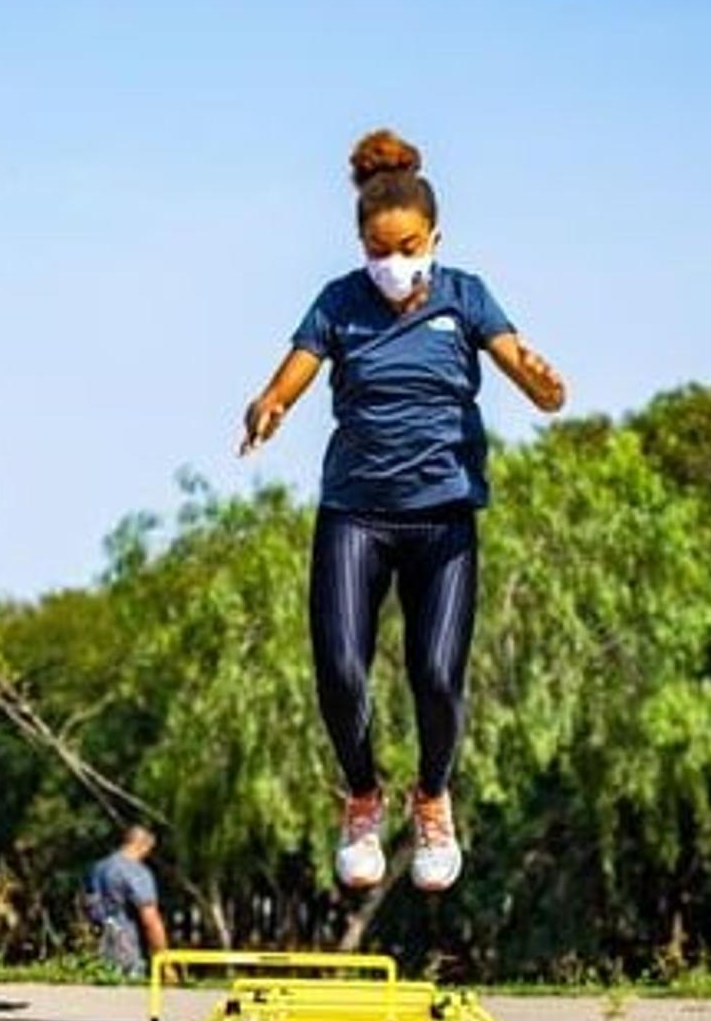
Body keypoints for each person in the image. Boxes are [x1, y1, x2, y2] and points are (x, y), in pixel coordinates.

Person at [239, 129, 567, 893]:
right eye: (378, 250)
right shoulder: (339, 302)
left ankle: (432, 797)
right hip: (355, 512)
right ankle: (361, 796)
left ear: (435, 237)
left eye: (408, 246)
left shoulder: (466, 295)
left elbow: (524, 367)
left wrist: (547, 387)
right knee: (342, 671)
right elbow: (291, 375)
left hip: (444, 519)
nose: (394, 264)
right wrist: (269, 405)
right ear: (361, 245)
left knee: (436, 675)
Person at [84, 825, 169, 977]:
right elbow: (150, 918)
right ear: (141, 844)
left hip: (97, 950)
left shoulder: (98, 868)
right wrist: (165, 962)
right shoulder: (136, 872)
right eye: (149, 848)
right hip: (128, 952)